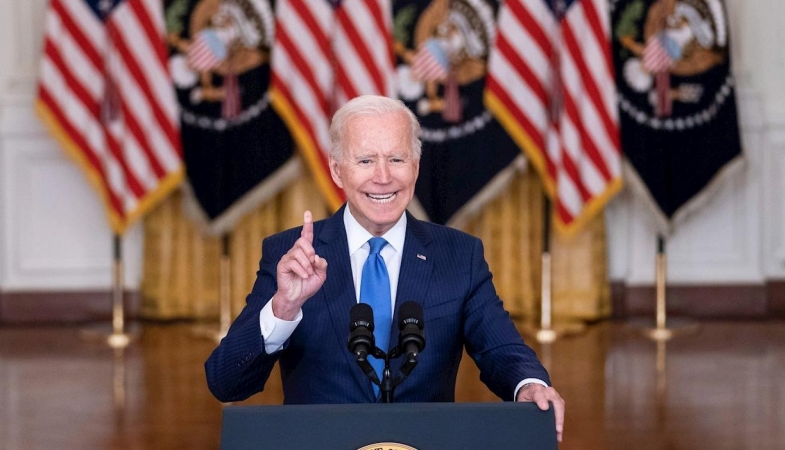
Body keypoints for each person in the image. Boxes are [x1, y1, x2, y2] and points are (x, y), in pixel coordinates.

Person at [205, 95, 565, 441]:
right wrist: (283, 309)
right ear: (336, 169)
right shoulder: (291, 254)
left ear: (416, 167)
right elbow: (226, 382)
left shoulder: (458, 254)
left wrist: (530, 385)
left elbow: (502, 349)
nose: (383, 177)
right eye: (365, 161)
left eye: (396, 159)